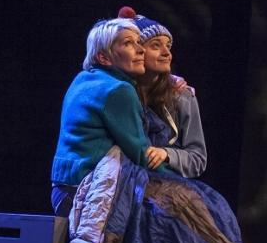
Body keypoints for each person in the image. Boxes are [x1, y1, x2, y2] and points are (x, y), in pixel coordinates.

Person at [49, 16, 175, 216]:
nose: (140, 49)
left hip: (62, 189)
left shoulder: (83, 79)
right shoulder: (118, 90)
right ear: (104, 58)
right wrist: (178, 182)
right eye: (128, 43)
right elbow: (140, 152)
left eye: (138, 42)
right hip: (88, 193)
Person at [119, 6, 207, 179]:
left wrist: (167, 154)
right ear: (137, 51)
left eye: (168, 46)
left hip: (167, 184)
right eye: (156, 46)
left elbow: (198, 159)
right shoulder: (119, 92)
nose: (167, 53)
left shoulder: (182, 96)